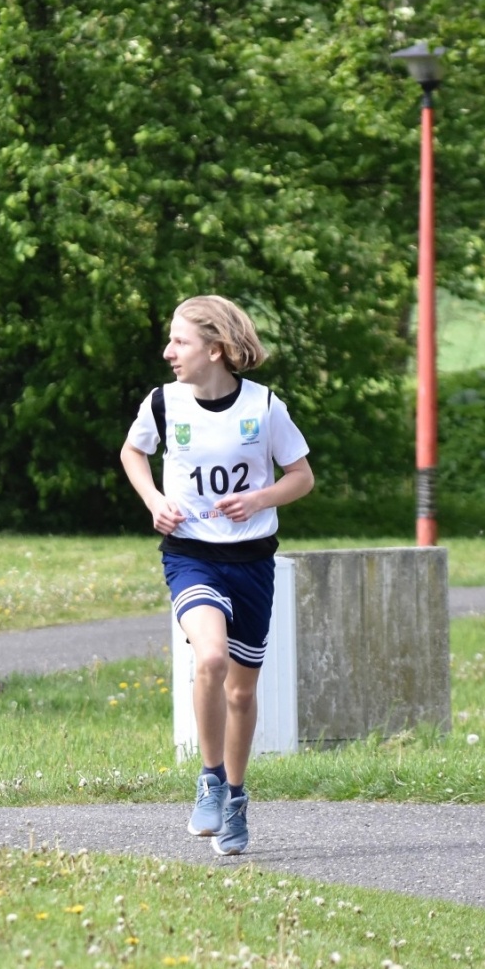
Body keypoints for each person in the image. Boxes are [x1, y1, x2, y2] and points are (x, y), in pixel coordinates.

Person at [121, 295, 314, 856]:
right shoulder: (162, 404)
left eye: (179, 342)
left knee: (241, 691)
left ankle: (234, 796)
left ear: (215, 348)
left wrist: (260, 498)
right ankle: (208, 779)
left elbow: (300, 477)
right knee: (208, 658)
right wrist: (154, 499)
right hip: (191, 554)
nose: (168, 352)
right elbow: (134, 455)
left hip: (251, 560)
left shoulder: (264, 406)